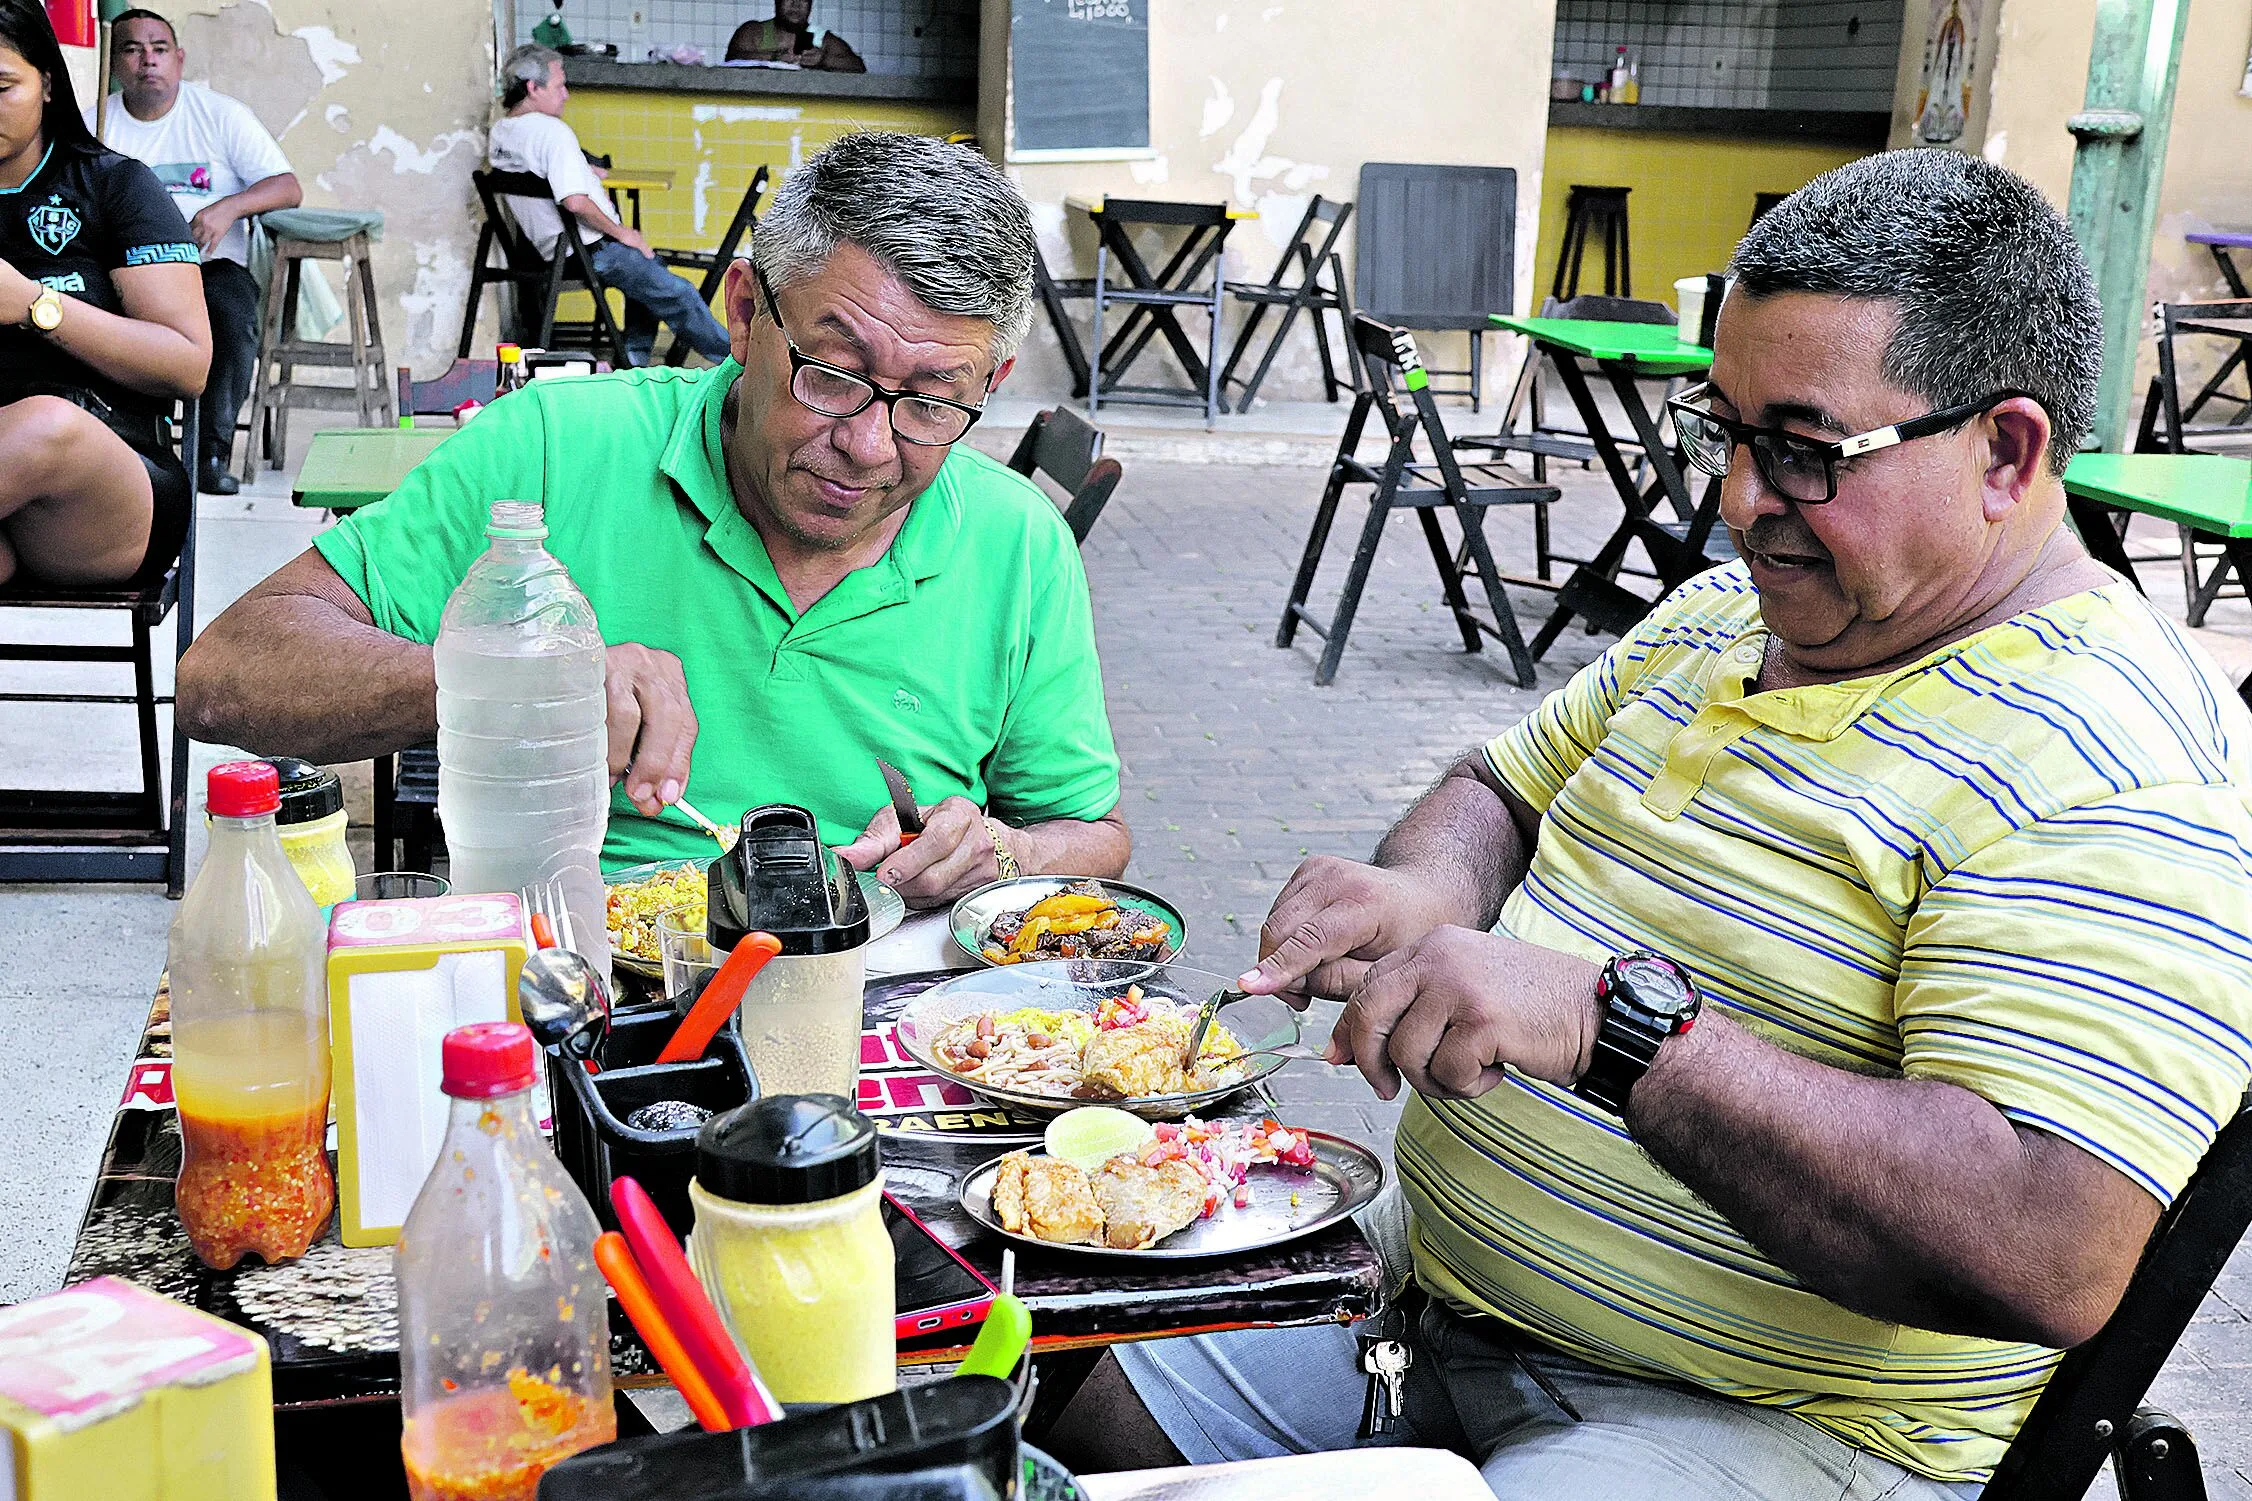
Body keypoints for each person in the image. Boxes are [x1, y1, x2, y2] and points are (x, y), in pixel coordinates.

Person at [1062, 150, 2252, 1496]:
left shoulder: (2113, 756)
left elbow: (2052, 1242)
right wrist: (1422, 893)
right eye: (1724, 430)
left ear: (2008, 451)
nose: (1738, 500)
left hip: (1776, 1428)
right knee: (1058, 1383)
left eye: (1804, 452)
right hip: (1435, 1298)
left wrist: (1612, 1029)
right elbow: (1499, 789)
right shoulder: (1726, 618)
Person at [178, 130, 1129, 906]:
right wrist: (517, 686)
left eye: (932, 402)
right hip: (583, 982)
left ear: (991, 385)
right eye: (834, 377)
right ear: (748, 314)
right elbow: (220, 676)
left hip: (891, 1011)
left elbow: (1093, 834)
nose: (873, 447)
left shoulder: (1019, 545)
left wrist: (1006, 854)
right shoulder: (557, 448)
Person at [0, 0, 208, 590]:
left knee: (47, 424)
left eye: (1, 86)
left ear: (46, 80)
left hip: (105, 488)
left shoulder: (115, 185)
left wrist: (37, 306)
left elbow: (188, 365)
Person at [92, 8, 299, 497]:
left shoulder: (220, 115)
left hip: (211, 269)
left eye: (159, 49)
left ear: (179, 59)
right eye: (132, 49)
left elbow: (288, 186)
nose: (148, 61)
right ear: (114, 65)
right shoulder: (95, 124)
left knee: (230, 316)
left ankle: (210, 452)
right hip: (127, 274)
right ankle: (130, 443)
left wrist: (228, 208)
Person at [485, 45, 730, 368]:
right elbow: (574, 201)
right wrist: (622, 233)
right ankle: (740, 361)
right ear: (533, 88)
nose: (567, 95)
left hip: (548, 250)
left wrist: (581, 167)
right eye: (560, 85)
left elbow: (535, 168)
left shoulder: (502, 132)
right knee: (678, 293)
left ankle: (633, 360)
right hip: (587, 252)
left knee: (648, 266)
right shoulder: (552, 132)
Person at [727, 0, 865, 71]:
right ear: (777, 1)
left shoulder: (820, 38)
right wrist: (775, 58)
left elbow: (857, 66)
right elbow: (732, 58)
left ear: (811, 4)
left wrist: (824, 60)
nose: (796, 4)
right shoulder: (755, 31)